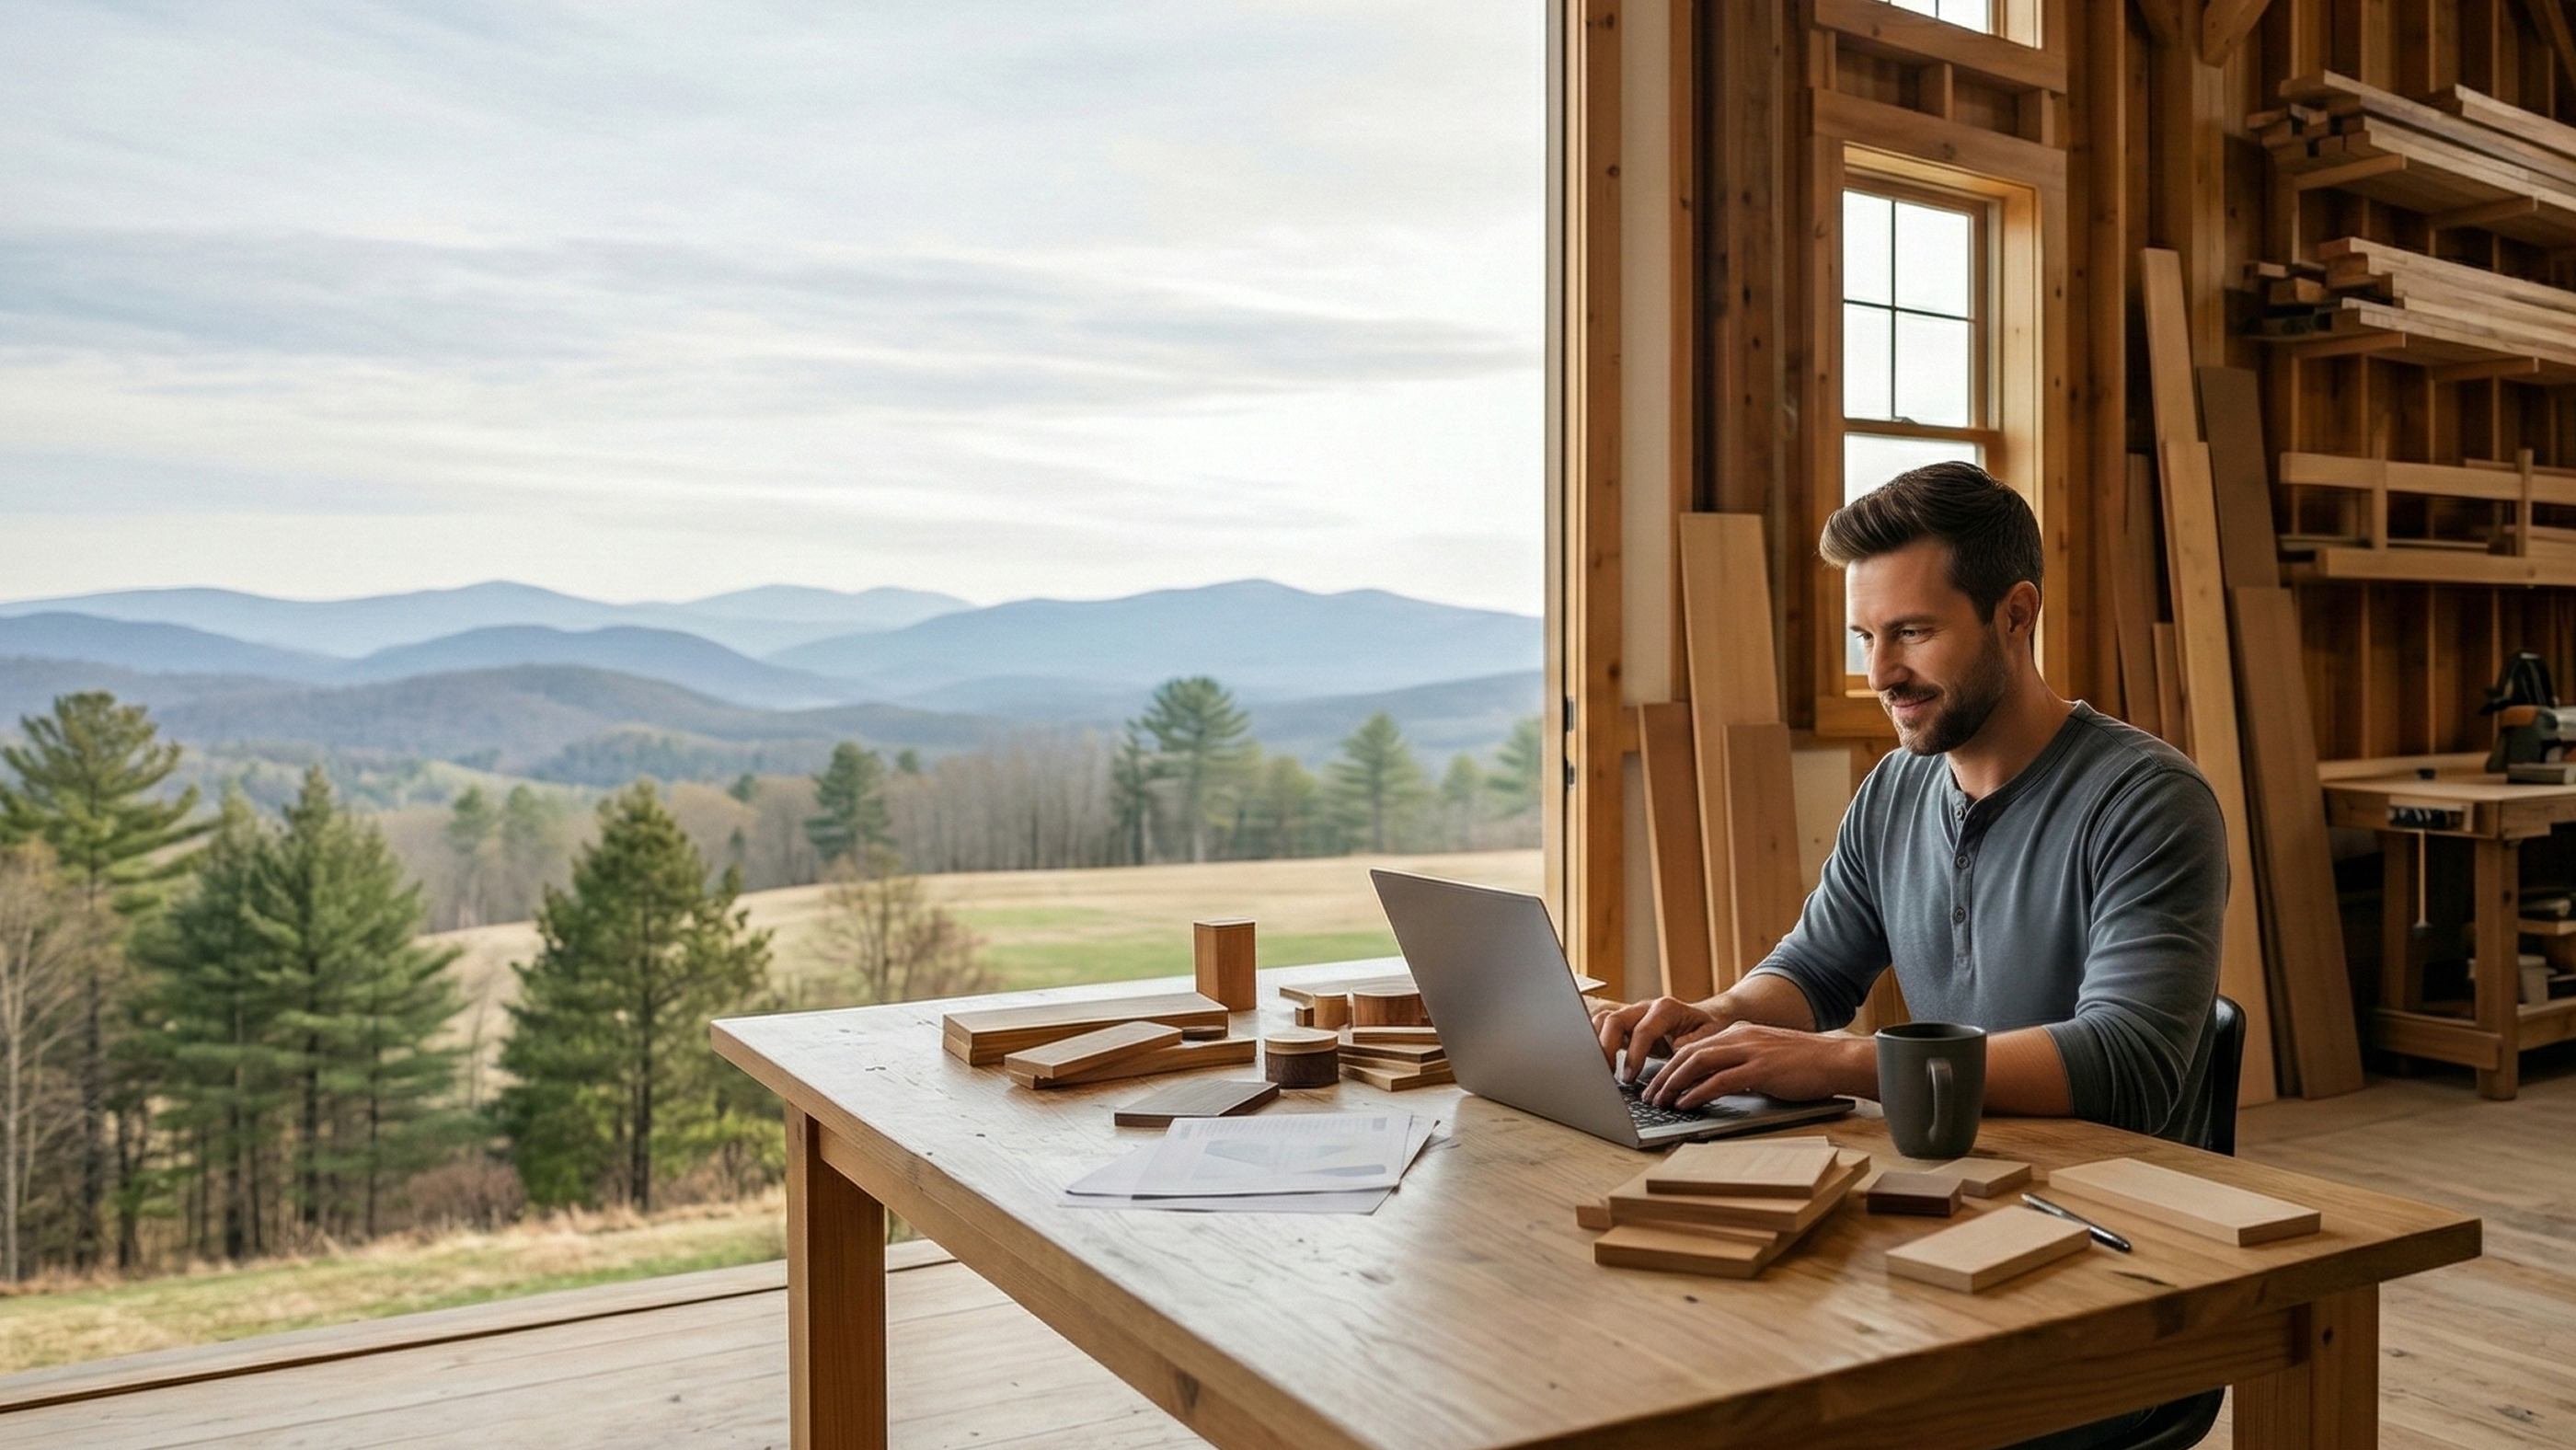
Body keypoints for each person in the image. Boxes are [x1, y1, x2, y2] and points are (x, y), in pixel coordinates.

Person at [1595, 461, 2226, 1145]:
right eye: (1865, 638)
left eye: (1913, 633)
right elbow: (1815, 972)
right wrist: (1715, 1020)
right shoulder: (1895, 788)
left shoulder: (2150, 803)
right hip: (1951, 1165)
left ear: (2016, 613)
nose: (1879, 675)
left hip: (2120, 1195)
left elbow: (2129, 1063)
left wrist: (1843, 1060)